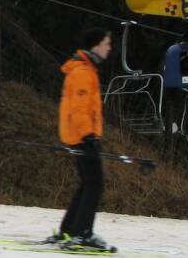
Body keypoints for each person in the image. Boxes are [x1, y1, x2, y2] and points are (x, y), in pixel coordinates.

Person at [53, 27, 113, 251]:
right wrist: (88, 136)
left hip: (82, 136)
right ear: (95, 45)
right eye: (106, 44)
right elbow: (79, 109)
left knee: (88, 183)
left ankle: (69, 230)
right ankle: (81, 234)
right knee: (94, 184)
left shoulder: (87, 69)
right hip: (82, 136)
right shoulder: (82, 72)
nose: (109, 48)